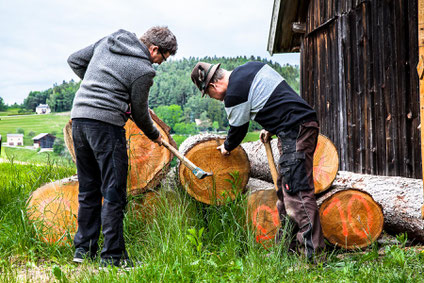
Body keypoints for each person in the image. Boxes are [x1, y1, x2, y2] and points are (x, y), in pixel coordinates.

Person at [190, 61, 325, 262]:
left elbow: (237, 129)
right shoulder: (251, 68)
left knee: (297, 192)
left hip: (295, 130)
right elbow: (279, 99)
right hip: (295, 126)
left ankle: (313, 258)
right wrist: (272, 126)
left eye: (210, 95)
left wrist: (227, 147)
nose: (215, 99)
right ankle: (285, 251)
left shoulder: (234, 93)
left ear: (213, 86)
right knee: (285, 191)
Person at [68, 26, 177, 268]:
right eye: (161, 58)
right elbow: (139, 112)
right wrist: (154, 135)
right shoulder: (143, 70)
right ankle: (112, 257)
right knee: (114, 192)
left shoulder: (108, 40)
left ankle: (83, 251)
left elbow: (74, 60)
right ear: (154, 49)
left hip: (79, 121)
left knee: (88, 189)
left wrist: (98, 83)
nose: (158, 64)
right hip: (106, 126)